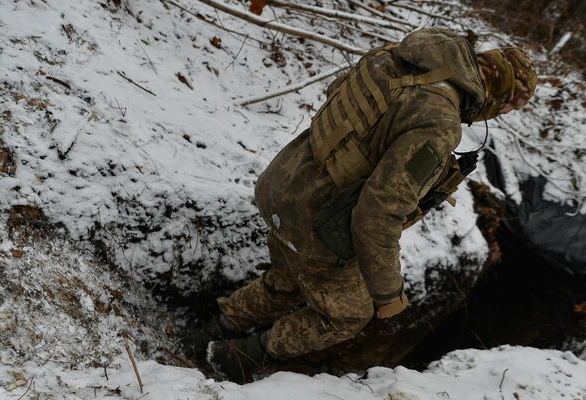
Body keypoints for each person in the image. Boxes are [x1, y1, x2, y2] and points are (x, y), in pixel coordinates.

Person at [198, 28, 537, 382]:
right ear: (504, 99)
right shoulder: (439, 122)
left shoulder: (401, 56)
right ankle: (232, 358)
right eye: (509, 107)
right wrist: (388, 293)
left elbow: (337, 97)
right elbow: (378, 214)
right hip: (315, 222)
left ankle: (212, 329)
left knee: (286, 278)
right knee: (347, 314)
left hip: (283, 182)